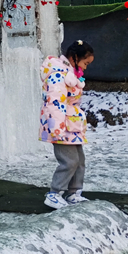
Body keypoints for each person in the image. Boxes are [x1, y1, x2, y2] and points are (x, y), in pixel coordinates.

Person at [39, 39, 94, 209]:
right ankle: (54, 193)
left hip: (72, 125)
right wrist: (56, 128)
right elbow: (54, 103)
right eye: (85, 63)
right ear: (75, 58)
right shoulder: (58, 75)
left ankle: (73, 192)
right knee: (69, 161)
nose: (85, 67)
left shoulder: (71, 74)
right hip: (61, 126)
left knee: (79, 160)